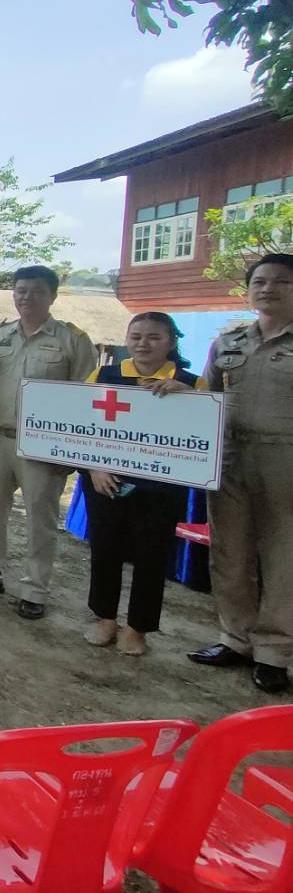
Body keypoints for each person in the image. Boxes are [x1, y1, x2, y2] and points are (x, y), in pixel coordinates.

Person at [0, 264, 97, 619]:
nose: (27, 297)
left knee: (40, 518)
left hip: (42, 445)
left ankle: (35, 589)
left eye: (37, 290)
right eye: (21, 290)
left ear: (52, 296)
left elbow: (87, 400)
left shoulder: (72, 340)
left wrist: (70, 452)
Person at [190, 253, 293, 694]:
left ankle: (275, 652)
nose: (267, 289)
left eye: (280, 281)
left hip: (284, 458)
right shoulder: (227, 343)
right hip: (229, 455)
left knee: (283, 557)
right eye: (259, 281)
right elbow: (206, 397)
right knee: (229, 552)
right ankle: (235, 637)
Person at [80, 313, 199, 656]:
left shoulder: (192, 383)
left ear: (171, 342)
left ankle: (137, 628)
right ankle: (105, 618)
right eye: (136, 337)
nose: (143, 344)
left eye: (154, 337)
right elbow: (79, 424)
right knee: (105, 549)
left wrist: (190, 397)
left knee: (152, 556)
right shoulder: (104, 375)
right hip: (105, 480)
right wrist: (94, 467)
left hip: (160, 489)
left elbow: (203, 434)